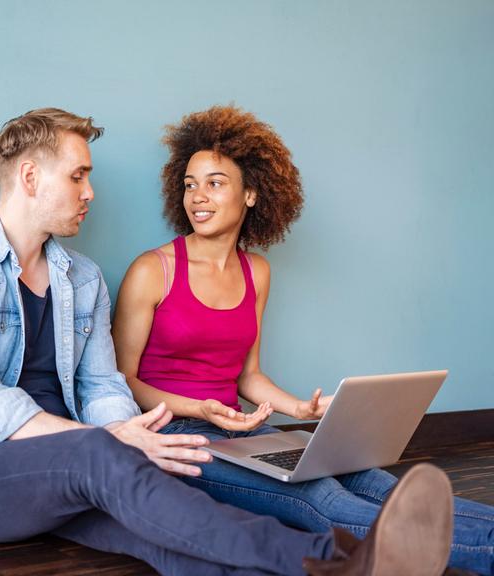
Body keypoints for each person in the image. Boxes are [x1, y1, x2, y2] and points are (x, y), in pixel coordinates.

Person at [0, 107, 457, 576]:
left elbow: (102, 384)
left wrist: (131, 433)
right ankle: (339, 558)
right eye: (77, 176)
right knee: (100, 450)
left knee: (168, 539)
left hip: (77, 462)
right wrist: (111, 439)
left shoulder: (82, 278)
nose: (90, 192)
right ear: (29, 178)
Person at [112, 104, 494, 575]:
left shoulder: (257, 271)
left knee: (368, 478)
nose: (198, 196)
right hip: (175, 436)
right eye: (190, 184)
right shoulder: (153, 270)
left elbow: (247, 374)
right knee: (319, 496)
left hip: (241, 429)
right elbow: (121, 380)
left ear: (251, 193)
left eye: (215, 183)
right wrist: (197, 409)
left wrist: (301, 412)